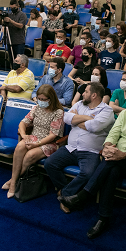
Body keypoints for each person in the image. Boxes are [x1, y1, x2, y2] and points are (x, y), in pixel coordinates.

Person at [58, 87, 126, 239]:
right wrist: (107, 147)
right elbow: (113, 134)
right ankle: (102, 218)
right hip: (115, 158)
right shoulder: (125, 113)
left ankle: (84, 196)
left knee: (112, 164)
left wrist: (123, 155)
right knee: (112, 169)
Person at [45, 82, 115, 213]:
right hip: (70, 148)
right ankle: (65, 191)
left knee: (88, 173)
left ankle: (65, 194)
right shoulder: (79, 104)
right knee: (49, 163)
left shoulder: (107, 110)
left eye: (86, 91)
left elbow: (94, 127)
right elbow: (66, 118)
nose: (82, 93)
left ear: (94, 95)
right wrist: (88, 118)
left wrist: (76, 120)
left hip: (90, 152)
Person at [2, 84, 64, 198]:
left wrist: (37, 144)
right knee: (20, 146)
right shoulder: (36, 107)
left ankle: (13, 181)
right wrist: (24, 135)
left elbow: (52, 135)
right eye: (39, 99)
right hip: (34, 137)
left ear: (51, 99)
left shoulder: (58, 112)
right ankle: (14, 182)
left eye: (44, 100)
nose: (40, 101)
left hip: (48, 142)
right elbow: (23, 122)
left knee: (29, 155)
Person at [3, 0, 28, 64]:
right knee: (11, 60)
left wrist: (11, 21)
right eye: (11, 8)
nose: (12, 9)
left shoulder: (22, 15)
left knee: (20, 61)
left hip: (19, 41)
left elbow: (20, 26)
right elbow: (2, 24)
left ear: (18, 6)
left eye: (14, 8)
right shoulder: (9, 14)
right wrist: (1, 18)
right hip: (10, 40)